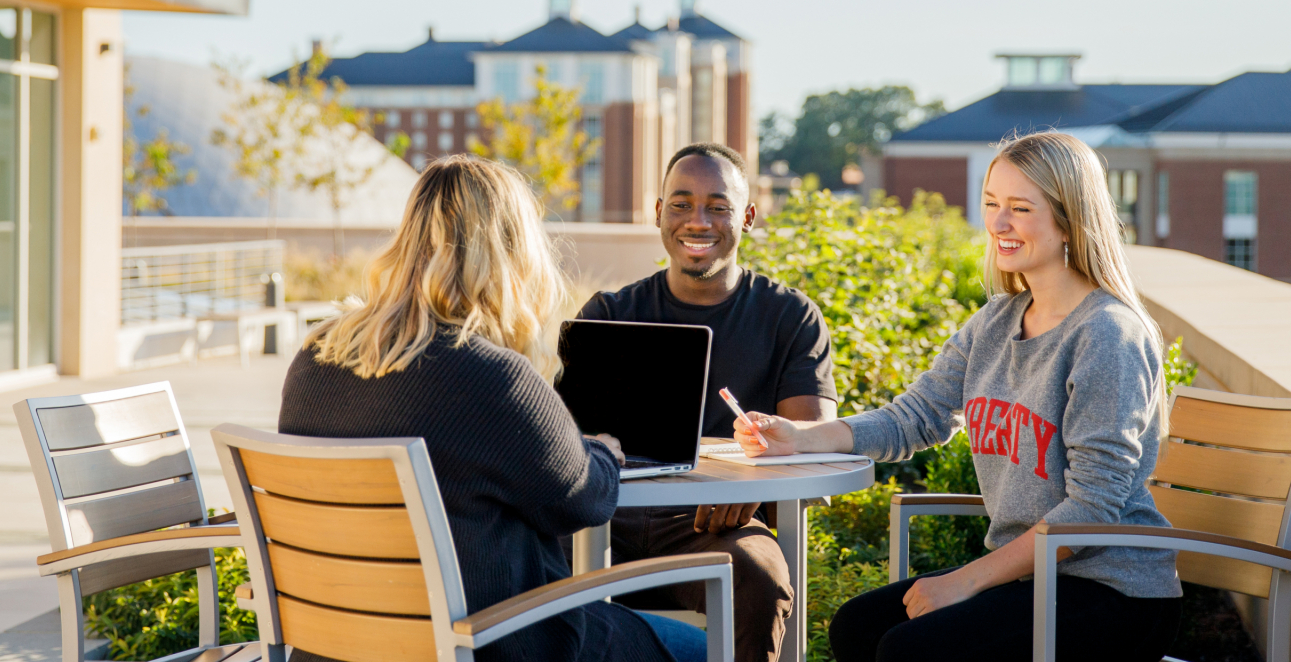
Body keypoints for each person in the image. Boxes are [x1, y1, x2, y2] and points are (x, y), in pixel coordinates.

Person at [733, 131, 1183, 661]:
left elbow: (1092, 508)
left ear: (1070, 220)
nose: (997, 224)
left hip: (1114, 591)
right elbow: (915, 417)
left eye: (1019, 208)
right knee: (857, 627)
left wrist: (967, 581)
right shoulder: (997, 320)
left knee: (911, 650)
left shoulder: (1107, 334)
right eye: (992, 204)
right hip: (1036, 576)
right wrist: (797, 438)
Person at [277, 154, 705, 662]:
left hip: (334, 643)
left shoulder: (316, 354)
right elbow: (583, 502)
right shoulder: (493, 377)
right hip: (487, 639)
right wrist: (604, 454)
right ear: (512, 253)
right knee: (701, 647)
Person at [575, 142, 835, 662]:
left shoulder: (789, 318)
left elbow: (813, 442)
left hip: (718, 527)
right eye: (681, 204)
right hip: (608, 520)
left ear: (748, 218)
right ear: (658, 213)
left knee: (758, 577)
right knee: (516, 564)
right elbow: (563, 439)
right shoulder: (608, 312)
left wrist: (750, 482)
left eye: (718, 206)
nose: (698, 221)